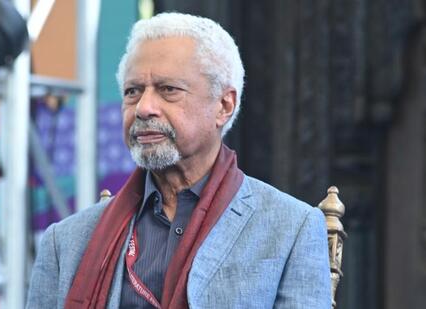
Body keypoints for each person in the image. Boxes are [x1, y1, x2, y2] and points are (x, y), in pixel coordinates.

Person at [27, 12, 331, 309]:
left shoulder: (291, 228)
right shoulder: (66, 242)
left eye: (168, 90)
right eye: (133, 92)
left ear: (224, 105)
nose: (144, 108)